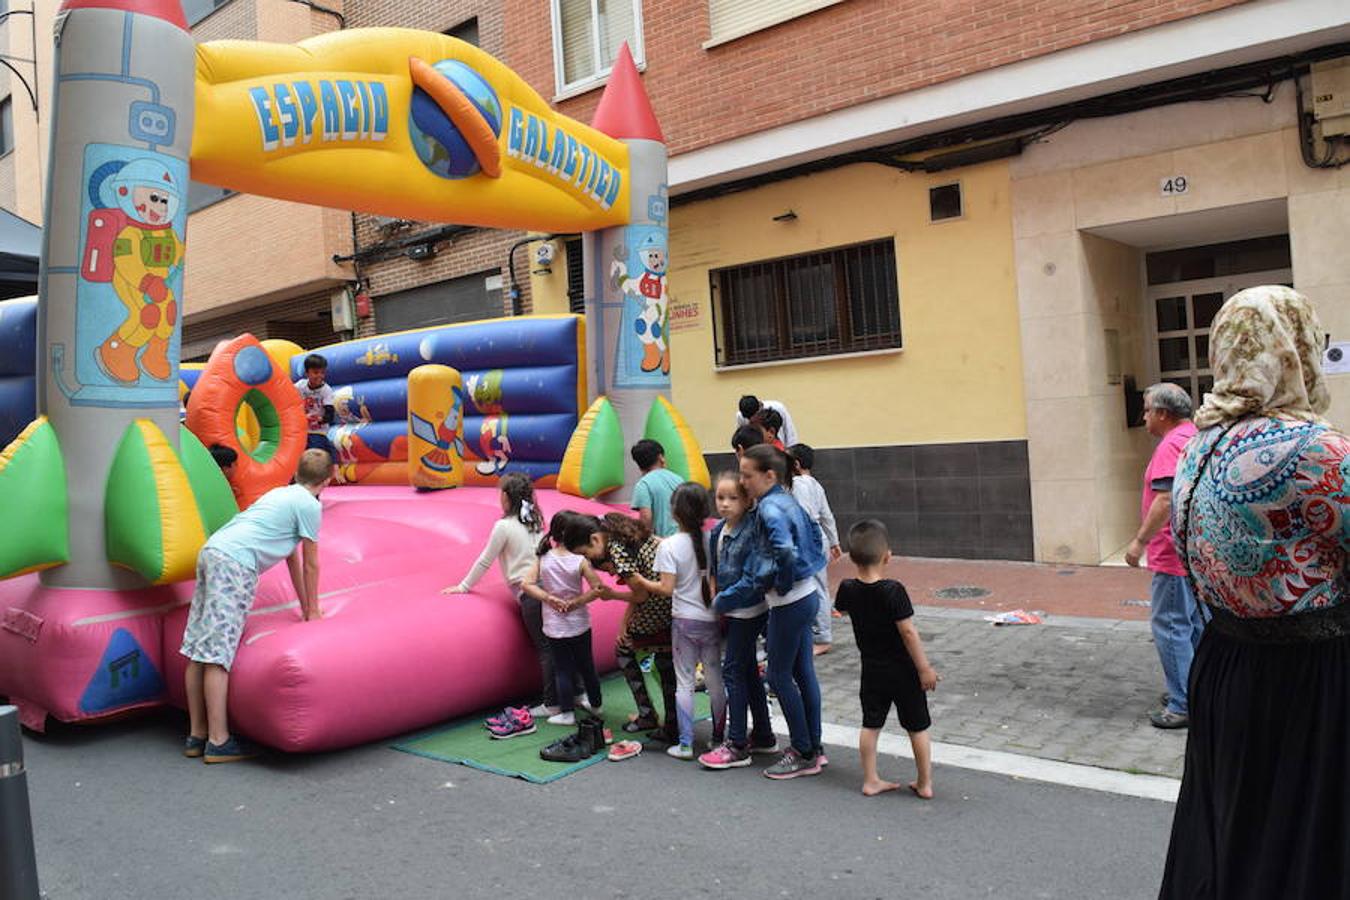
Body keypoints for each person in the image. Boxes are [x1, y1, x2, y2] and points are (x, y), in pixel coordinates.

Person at [1161, 286, 1350, 899]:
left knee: (1235, 826)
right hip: (1311, 681)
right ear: (1295, 348)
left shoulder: (1196, 447)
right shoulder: (1317, 451)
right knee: (1306, 838)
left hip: (1225, 667)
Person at [180, 448, 331, 764]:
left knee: (198, 649)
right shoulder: (309, 505)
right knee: (217, 654)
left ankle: (197, 734)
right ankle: (219, 740)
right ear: (327, 480)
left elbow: (292, 557)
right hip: (235, 564)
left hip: (213, 552)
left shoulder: (281, 495)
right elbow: (311, 564)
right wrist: (315, 611)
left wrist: (306, 607)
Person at [716, 444, 827, 780]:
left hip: (790, 602)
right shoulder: (788, 498)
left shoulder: (768, 509)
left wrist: (780, 581)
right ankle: (813, 747)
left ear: (769, 475)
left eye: (747, 475)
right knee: (803, 673)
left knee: (779, 676)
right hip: (806, 597)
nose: (743, 481)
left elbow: (784, 551)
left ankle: (802, 751)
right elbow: (815, 537)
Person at [835, 519, 938, 799]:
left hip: (872, 669)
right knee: (917, 726)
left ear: (852, 557)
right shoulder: (894, 590)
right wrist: (925, 668)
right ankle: (924, 782)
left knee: (871, 724)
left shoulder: (847, 588)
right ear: (887, 556)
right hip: (904, 671)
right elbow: (908, 631)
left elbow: (840, 611)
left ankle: (871, 779)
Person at [1124, 382, 1203, 729]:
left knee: (1171, 627)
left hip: (1171, 552)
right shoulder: (1194, 435)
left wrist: (1139, 542)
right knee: (1195, 626)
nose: (1143, 417)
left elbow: (1164, 498)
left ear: (1162, 413)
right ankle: (1197, 690)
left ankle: (1182, 702)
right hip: (1193, 550)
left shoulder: (1171, 444)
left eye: (1146, 410)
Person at [442, 472, 554, 716]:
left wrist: (463, 586)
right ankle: (576, 693)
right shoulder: (534, 521)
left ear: (506, 498)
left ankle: (552, 703)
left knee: (546, 647)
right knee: (558, 644)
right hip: (547, 585)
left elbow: (485, 560)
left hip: (531, 592)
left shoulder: (503, 526)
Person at [637, 483, 726, 760]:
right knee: (715, 681)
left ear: (674, 512)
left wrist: (639, 581)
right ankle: (718, 740)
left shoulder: (670, 545)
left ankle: (686, 744)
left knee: (684, 681)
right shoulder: (716, 539)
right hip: (712, 618)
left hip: (684, 622)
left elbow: (665, 588)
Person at [698, 472, 778, 770]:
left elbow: (751, 578)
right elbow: (715, 572)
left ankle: (737, 744)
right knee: (746, 671)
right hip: (731, 611)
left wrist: (720, 601)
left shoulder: (751, 531)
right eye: (720, 498)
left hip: (748, 611)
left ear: (747, 500)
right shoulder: (718, 531)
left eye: (733, 498)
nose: (725, 504)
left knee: (732, 671)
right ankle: (764, 735)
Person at [592, 512, 679, 743]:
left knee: (633, 654)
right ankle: (670, 720)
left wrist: (612, 596)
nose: (610, 572)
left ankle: (657, 718)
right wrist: (623, 624)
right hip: (671, 610)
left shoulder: (621, 554)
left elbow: (639, 594)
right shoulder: (646, 540)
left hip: (660, 612)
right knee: (663, 664)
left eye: (606, 567)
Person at [522, 511, 606, 726]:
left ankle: (566, 713)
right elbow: (598, 588)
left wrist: (549, 599)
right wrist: (577, 602)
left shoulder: (545, 558)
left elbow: (526, 584)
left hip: (554, 624)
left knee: (562, 669)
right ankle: (596, 705)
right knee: (587, 666)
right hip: (579, 623)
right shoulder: (580, 560)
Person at [789, 444, 842, 655]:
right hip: (818, 539)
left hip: (809, 540)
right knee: (818, 587)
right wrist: (834, 541)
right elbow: (827, 515)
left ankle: (822, 637)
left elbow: (804, 515)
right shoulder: (815, 485)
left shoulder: (796, 484)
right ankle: (816, 632)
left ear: (796, 464)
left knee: (817, 588)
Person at [630, 438, 683, 537]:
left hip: (662, 541)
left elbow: (646, 518)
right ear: (661, 457)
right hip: (684, 538)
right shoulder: (678, 479)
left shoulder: (643, 484)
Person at [295, 353, 338, 466]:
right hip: (302, 430)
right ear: (307, 373)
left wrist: (319, 419)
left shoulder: (326, 391)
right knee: (296, 452)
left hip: (318, 430)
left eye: (322, 372)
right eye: (315, 372)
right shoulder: (300, 386)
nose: (319, 376)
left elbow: (330, 415)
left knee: (314, 453)